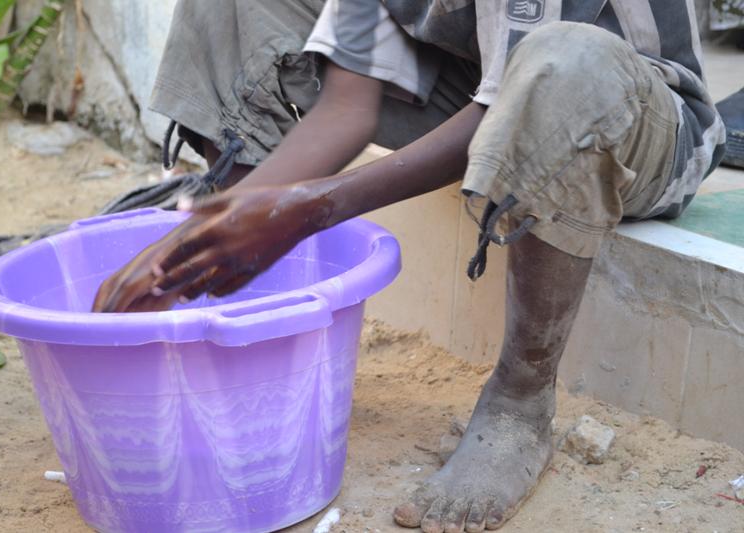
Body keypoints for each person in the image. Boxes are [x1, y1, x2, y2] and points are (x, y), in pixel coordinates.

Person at [93, 1, 726, 531]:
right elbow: (348, 104)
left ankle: (519, 402)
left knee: (565, 60)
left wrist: (309, 210)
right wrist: (222, 225)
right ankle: (242, 306)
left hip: (639, 119)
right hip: (482, 81)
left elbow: (532, 85)